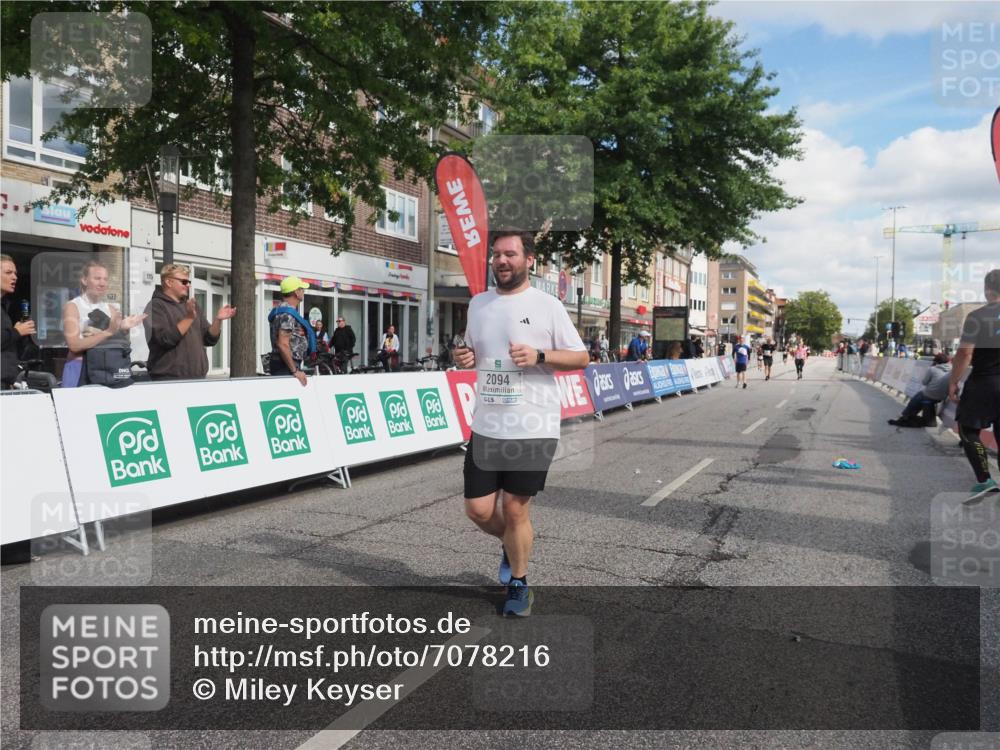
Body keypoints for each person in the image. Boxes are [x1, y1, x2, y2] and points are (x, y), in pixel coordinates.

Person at [453, 231, 588, 617]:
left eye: (510, 254)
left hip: (532, 423)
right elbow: (473, 350)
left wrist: (540, 354)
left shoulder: (547, 305)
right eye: (496, 255)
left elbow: (581, 358)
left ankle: (519, 584)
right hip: (488, 423)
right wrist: (464, 356)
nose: (501, 261)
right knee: (478, 510)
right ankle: (514, 545)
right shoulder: (478, 304)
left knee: (514, 509)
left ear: (530, 260)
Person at [948, 268, 1000, 501]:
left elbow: (965, 352)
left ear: (987, 289)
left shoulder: (977, 316)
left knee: (969, 430)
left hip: (985, 381)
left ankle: (985, 480)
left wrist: (953, 381)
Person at [61, 260, 146, 387]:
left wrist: (123, 327)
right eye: (97, 278)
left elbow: (115, 342)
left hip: (107, 371)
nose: (102, 283)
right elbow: (74, 346)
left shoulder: (110, 308)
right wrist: (107, 332)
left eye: (105, 279)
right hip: (79, 369)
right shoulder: (73, 306)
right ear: (84, 280)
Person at [144, 264, 235, 380]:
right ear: (168, 282)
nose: (188, 285)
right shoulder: (155, 306)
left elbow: (209, 339)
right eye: (184, 282)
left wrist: (218, 320)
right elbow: (165, 339)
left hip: (197, 378)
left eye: (189, 282)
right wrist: (189, 318)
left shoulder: (191, 306)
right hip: (169, 379)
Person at [267, 276, 316, 386]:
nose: (304, 292)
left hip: (284, 363)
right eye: (302, 289)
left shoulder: (281, 309)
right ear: (296, 292)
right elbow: (282, 344)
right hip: (286, 366)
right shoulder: (287, 314)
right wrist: (295, 371)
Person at [888, 352, 951, 428]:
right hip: (943, 396)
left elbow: (924, 382)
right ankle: (908, 414)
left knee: (917, 397)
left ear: (936, 361)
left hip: (930, 395)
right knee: (922, 396)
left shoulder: (932, 369)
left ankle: (905, 414)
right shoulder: (952, 370)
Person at [1, 254, 36, 389]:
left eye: (15, 273)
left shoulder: (4, 306)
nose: (14, 277)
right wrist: (16, 332)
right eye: (8, 273)